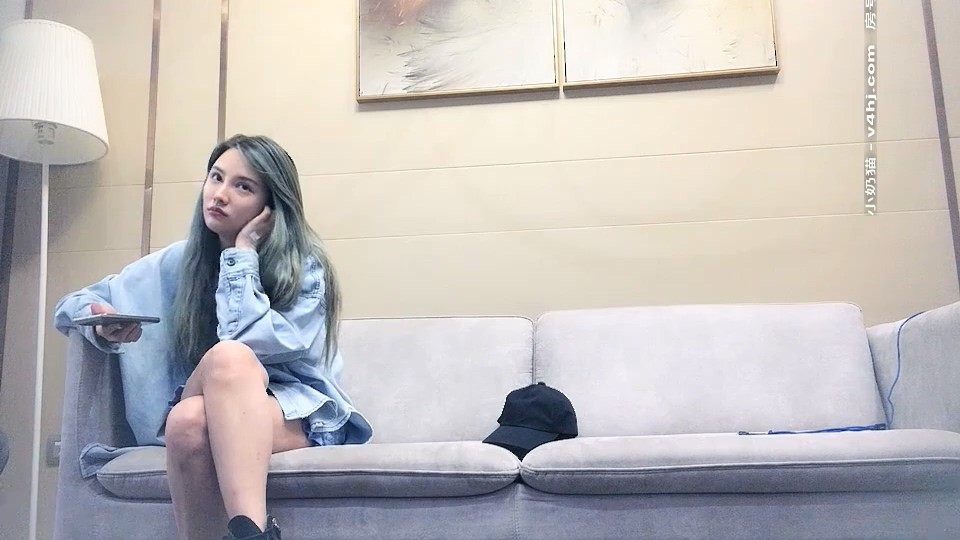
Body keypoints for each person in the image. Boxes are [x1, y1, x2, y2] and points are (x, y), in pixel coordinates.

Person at [54, 134, 373, 540]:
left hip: (295, 414)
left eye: (243, 187)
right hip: (212, 396)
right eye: (216, 177)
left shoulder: (303, 267)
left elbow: (247, 341)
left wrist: (243, 254)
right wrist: (101, 322)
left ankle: (251, 532)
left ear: (270, 206)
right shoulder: (178, 262)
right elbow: (72, 304)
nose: (220, 194)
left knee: (195, 409)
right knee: (202, 395)